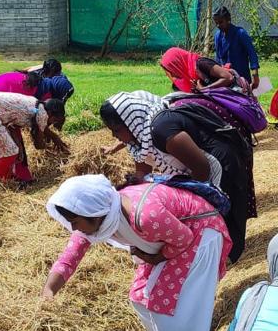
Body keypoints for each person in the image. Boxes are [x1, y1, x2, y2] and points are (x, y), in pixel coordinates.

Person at [42, 174, 231, 331]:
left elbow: (184, 238)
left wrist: (153, 257)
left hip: (200, 235)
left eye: (75, 220)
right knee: (139, 298)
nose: (73, 227)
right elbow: (69, 258)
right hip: (169, 242)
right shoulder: (99, 217)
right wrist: (49, 291)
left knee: (171, 309)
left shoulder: (143, 215)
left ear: (93, 212)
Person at [101, 92, 251, 264]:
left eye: (116, 129)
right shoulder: (139, 140)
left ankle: (225, 257)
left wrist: (191, 198)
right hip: (197, 168)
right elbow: (141, 173)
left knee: (219, 215)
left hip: (219, 164)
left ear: (130, 121)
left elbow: (202, 167)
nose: (114, 136)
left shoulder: (161, 129)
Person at [0, 92, 69, 184]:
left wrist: (19, 146)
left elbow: (12, 124)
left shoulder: (36, 105)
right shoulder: (43, 114)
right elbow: (39, 145)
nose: (52, 123)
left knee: (10, 149)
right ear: (50, 113)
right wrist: (51, 147)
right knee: (11, 152)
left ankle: (7, 177)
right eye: (54, 120)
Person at [160, 47, 247, 93]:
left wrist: (204, 89)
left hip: (234, 93)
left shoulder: (201, 64)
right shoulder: (191, 75)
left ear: (178, 64)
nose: (173, 75)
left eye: (172, 70)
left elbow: (228, 78)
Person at [213, 6, 260, 90]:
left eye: (221, 22)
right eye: (216, 23)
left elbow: (252, 53)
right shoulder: (217, 36)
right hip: (225, 78)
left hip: (241, 77)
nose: (218, 25)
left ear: (228, 19)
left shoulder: (240, 33)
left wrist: (255, 75)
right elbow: (218, 57)